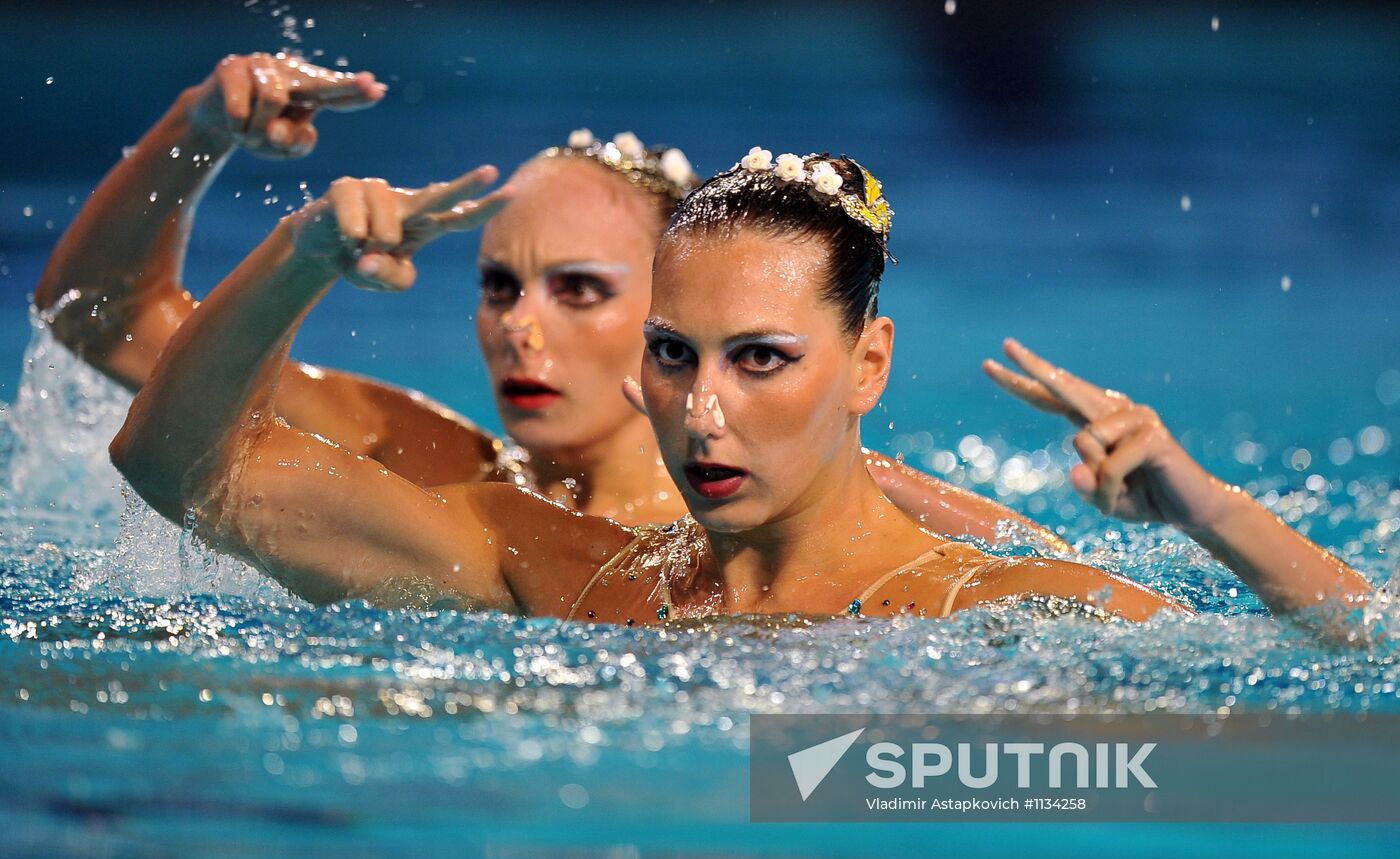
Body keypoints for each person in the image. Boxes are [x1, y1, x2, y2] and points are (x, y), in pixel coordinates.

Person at [108, 150, 1373, 631]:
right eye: (672, 353)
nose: (701, 409)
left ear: (865, 365)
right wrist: (296, 260)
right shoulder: (563, 565)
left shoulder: (985, 604)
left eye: (758, 358)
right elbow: (176, 470)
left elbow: (1345, 702)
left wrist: (1205, 507)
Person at [36, 53, 1050, 542]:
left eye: (578, 290)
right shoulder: (435, 462)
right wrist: (200, 123)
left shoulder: (810, 495)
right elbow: (101, 316)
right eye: (498, 285)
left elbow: (1033, 573)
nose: (520, 326)